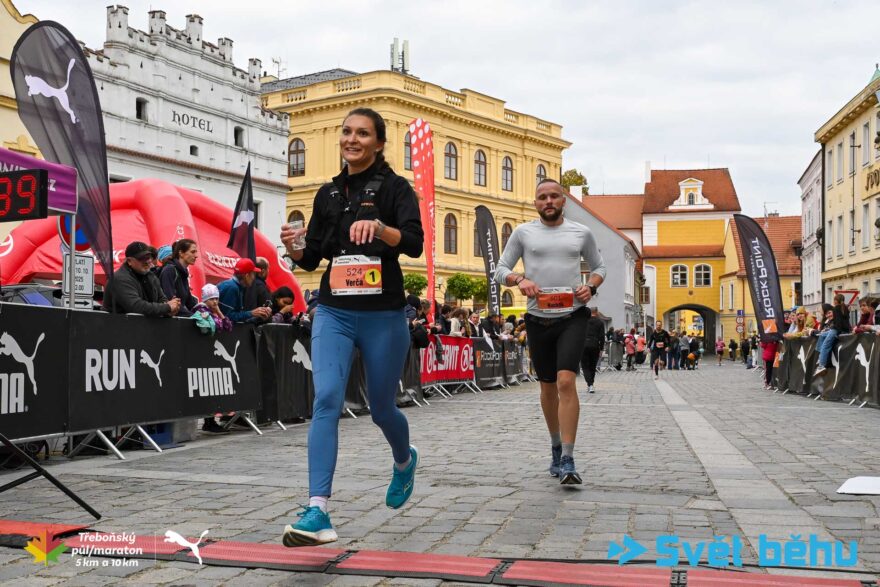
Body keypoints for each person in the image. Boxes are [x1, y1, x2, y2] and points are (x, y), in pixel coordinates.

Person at [279, 107, 424, 547]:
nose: (351, 139)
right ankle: (317, 510)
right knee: (326, 399)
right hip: (335, 311)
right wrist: (295, 248)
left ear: (378, 142)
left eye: (362, 133)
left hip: (384, 315)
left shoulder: (397, 188)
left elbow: (414, 243)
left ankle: (404, 460)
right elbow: (313, 256)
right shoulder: (327, 194)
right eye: (346, 132)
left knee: (381, 409)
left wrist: (381, 228)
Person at [494, 178, 606, 485]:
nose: (549, 201)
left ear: (563, 201)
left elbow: (600, 267)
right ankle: (556, 446)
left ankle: (568, 458)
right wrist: (520, 280)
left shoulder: (580, 232)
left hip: (572, 316)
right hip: (537, 319)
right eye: (542, 197)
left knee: (566, 381)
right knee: (547, 387)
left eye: (554, 196)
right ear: (535, 203)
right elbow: (500, 269)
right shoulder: (523, 232)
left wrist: (590, 286)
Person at [103, 241, 181, 317]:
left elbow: (161, 299)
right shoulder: (120, 279)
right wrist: (167, 307)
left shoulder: (151, 276)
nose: (147, 261)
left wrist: (169, 310)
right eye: (142, 258)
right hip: (118, 324)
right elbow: (136, 306)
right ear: (129, 261)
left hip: (139, 324)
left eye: (148, 257)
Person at [217, 259, 273, 324]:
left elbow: (237, 317)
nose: (253, 278)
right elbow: (226, 317)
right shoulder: (232, 287)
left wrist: (259, 315)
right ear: (247, 276)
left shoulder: (237, 286)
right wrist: (251, 313)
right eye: (253, 274)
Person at [159, 239, 199, 317]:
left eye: (196, 252)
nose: (196, 255)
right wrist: (193, 316)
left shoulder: (183, 273)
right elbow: (171, 303)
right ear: (181, 253)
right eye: (192, 252)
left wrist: (204, 312)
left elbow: (190, 302)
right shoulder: (169, 270)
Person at [814, 294, 852, 376]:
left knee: (826, 345)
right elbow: (845, 321)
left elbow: (838, 322)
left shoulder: (836, 309)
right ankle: (821, 357)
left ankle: (821, 365)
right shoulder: (845, 308)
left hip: (836, 330)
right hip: (841, 329)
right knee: (822, 335)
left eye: (834, 300)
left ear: (835, 301)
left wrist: (834, 329)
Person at [580, 308, 605, 393]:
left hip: (584, 345)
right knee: (592, 366)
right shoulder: (600, 322)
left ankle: (590, 384)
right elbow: (602, 337)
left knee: (585, 366)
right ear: (597, 312)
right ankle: (591, 384)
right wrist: (601, 348)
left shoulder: (584, 321)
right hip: (595, 345)